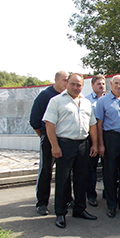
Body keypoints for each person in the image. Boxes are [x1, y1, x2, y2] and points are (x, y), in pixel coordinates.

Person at [43, 73, 99, 228]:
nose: (76, 87)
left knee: (82, 178)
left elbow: (92, 125)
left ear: (82, 86)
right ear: (67, 84)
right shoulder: (56, 101)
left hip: (82, 144)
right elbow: (50, 125)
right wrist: (54, 146)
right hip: (64, 144)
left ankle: (80, 209)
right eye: (73, 84)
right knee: (63, 179)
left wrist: (94, 144)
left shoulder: (87, 102)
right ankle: (60, 213)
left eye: (79, 85)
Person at [29, 70, 70, 216]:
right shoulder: (45, 96)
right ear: (56, 80)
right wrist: (45, 137)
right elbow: (34, 120)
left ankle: (66, 200)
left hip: (65, 139)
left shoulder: (68, 96)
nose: (66, 83)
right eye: (64, 80)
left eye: (68, 80)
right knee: (46, 171)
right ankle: (41, 203)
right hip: (48, 139)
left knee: (65, 171)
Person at [95, 75, 120, 218]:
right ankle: (112, 205)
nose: (119, 86)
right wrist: (100, 144)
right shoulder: (102, 101)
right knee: (110, 173)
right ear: (111, 84)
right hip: (110, 138)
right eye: (116, 83)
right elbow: (98, 124)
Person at [85, 74, 106, 207]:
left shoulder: (110, 99)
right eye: (98, 83)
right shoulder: (85, 100)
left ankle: (108, 191)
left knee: (108, 168)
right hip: (91, 138)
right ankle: (91, 195)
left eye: (103, 83)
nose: (101, 86)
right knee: (90, 169)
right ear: (92, 85)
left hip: (107, 138)